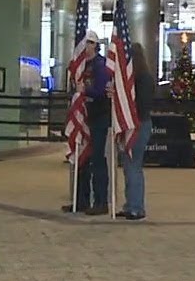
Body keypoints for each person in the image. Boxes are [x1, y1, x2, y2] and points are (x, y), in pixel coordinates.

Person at [64, 30, 110, 215]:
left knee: (97, 159)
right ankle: (80, 200)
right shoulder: (81, 65)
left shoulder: (100, 65)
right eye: (85, 43)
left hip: (98, 117)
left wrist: (85, 90)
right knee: (81, 160)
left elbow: (100, 90)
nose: (87, 47)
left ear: (95, 45)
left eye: (91, 43)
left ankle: (100, 201)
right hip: (83, 117)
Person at [115, 42, 155, 221]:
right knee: (129, 166)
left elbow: (143, 104)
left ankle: (137, 207)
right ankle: (130, 203)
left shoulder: (143, 79)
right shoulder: (136, 78)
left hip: (139, 124)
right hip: (133, 124)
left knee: (134, 166)